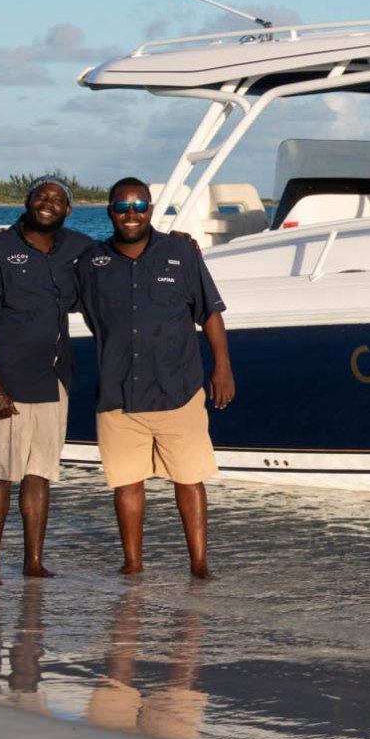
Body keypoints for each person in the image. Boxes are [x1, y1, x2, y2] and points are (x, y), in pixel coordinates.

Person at [76, 177, 234, 578]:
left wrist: (223, 366)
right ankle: (132, 564)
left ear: (151, 208)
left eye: (140, 205)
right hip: (118, 393)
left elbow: (210, 313)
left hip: (177, 389)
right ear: (109, 211)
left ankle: (199, 565)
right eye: (122, 206)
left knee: (190, 478)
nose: (131, 214)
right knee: (127, 483)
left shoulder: (181, 251)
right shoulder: (91, 262)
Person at [0, 177, 92, 584]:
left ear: (68, 210)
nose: (49, 203)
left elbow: (122, 256)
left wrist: (178, 240)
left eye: (58, 199)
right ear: (28, 201)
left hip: (54, 377)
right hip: (7, 379)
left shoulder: (78, 248)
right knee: (0, 472)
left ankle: (34, 561)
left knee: (40, 473)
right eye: (42, 196)